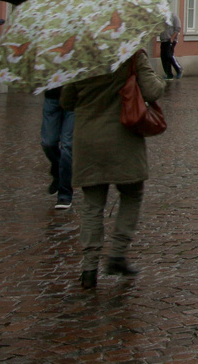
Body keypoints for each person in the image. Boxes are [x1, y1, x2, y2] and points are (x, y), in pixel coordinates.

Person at [61, 48, 165, 288]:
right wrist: (158, 79)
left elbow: (67, 101)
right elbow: (153, 90)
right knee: (132, 194)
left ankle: (89, 268)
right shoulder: (131, 53)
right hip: (123, 137)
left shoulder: (78, 56)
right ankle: (117, 253)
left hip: (88, 140)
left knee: (92, 205)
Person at [41, 86, 75, 211]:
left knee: (67, 147)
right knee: (48, 143)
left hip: (74, 98)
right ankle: (57, 169)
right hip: (52, 95)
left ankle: (65, 193)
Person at [159, 12, 183, 79]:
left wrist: (172, 38)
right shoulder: (161, 17)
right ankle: (169, 74)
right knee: (163, 57)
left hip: (170, 40)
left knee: (169, 55)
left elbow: (178, 28)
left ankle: (179, 69)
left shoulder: (174, 16)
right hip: (163, 40)